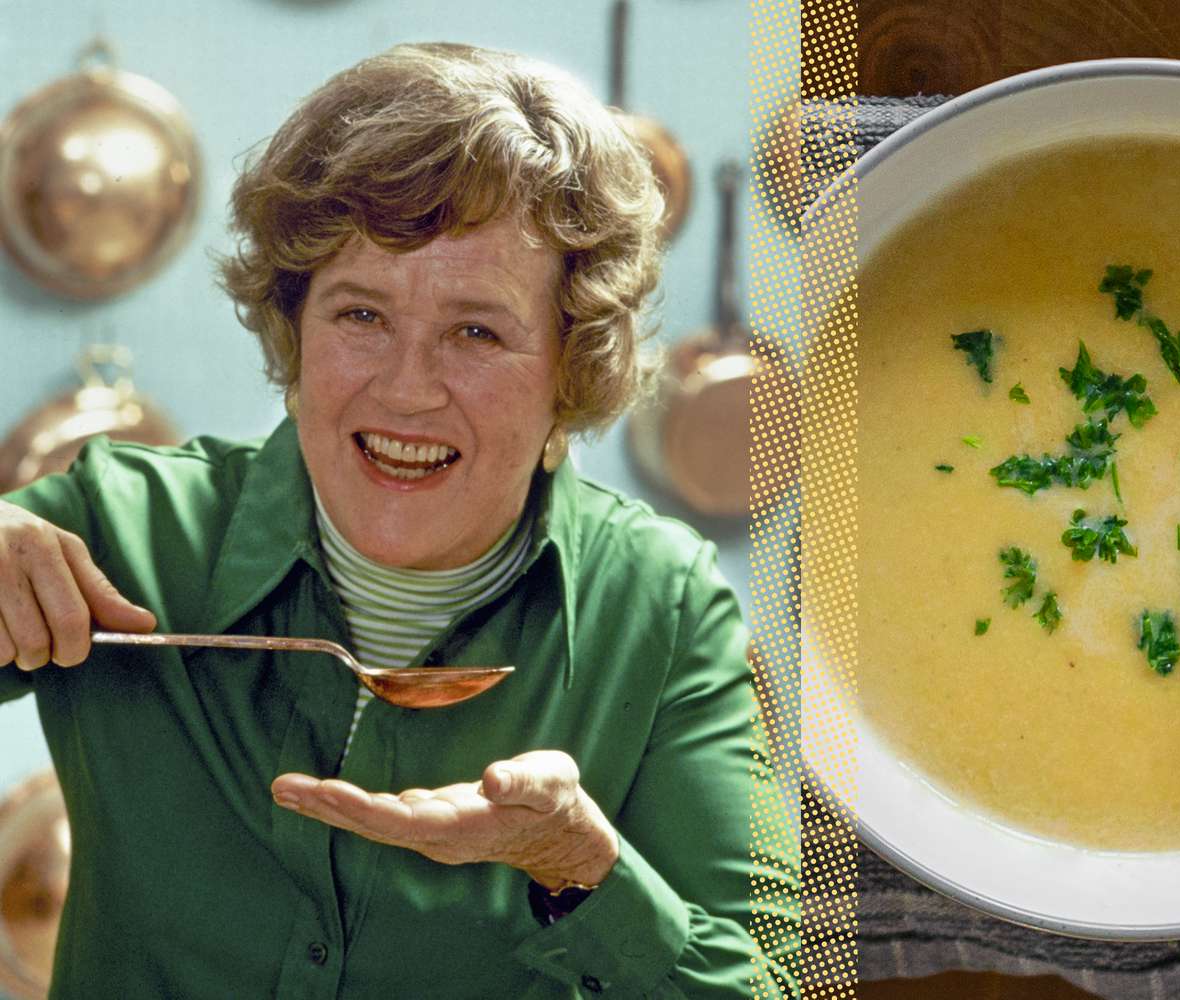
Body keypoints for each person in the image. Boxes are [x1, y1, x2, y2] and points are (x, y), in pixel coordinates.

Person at [0, 42, 797, 998]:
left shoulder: (665, 609)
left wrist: (581, 865)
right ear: (294, 336)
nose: (407, 390)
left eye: (477, 331)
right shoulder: (118, 528)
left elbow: (767, 986)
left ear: (570, 368)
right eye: (360, 316)